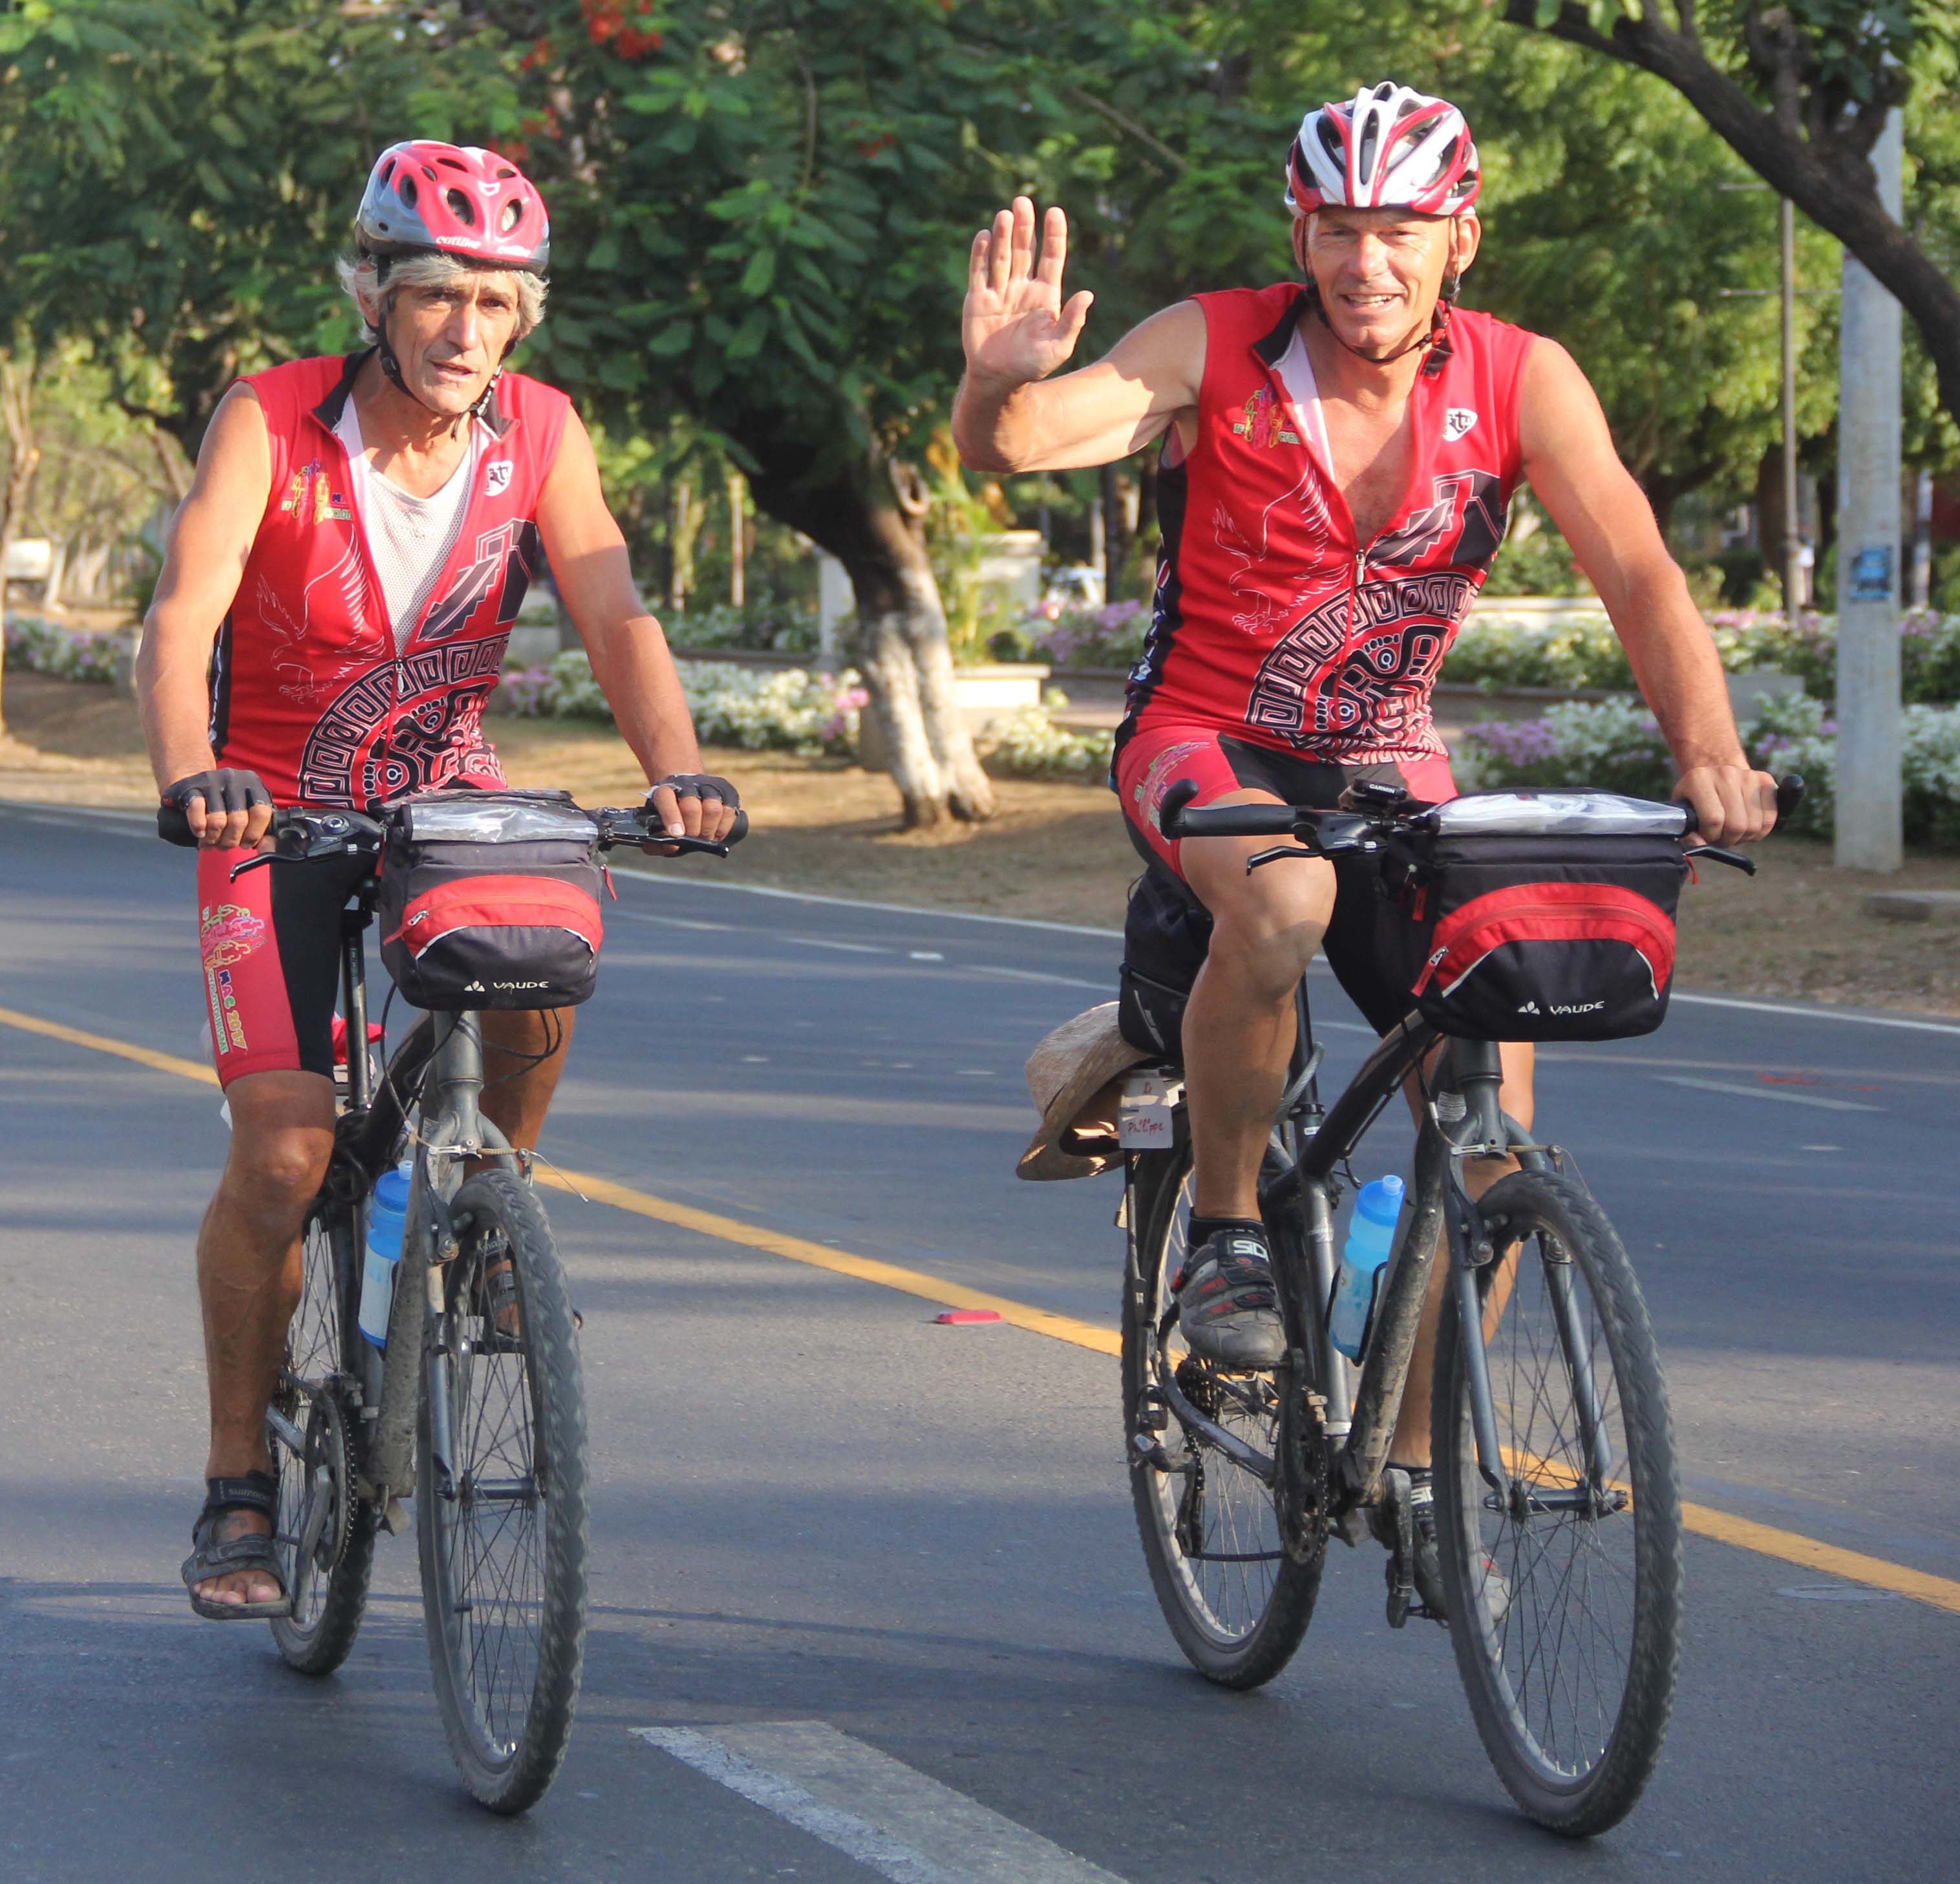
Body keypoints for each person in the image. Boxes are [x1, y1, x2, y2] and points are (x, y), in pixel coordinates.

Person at [951, 80, 1780, 1547]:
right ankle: (1224, 1234)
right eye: (1336, 227)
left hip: (1389, 758)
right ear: (1300, 233)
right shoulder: (1213, 344)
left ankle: (1406, 1461)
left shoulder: (1520, 379)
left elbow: (1639, 571)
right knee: (1283, 898)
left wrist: (1706, 751)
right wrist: (995, 384)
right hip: (1202, 739)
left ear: (1458, 237)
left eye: (1398, 229)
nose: (1365, 260)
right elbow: (1013, 446)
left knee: (1489, 1108)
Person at [135, 139, 744, 1618]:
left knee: (544, 949)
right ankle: (237, 1483)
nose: (463, 329)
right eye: (432, 294)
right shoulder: (272, 419)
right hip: (269, 807)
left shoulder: (540, 431)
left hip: (443, 791)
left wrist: (678, 768)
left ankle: (479, 1196)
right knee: (284, 1154)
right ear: (372, 294)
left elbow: (612, 609)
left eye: (493, 300)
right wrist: (191, 774)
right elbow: (181, 613)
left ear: (524, 312)